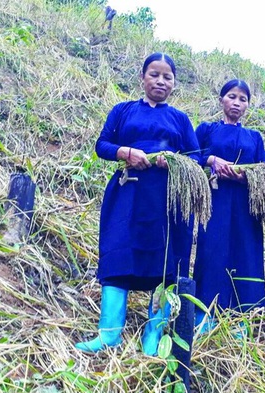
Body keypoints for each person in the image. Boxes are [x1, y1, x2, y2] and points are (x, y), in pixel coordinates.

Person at [75, 53, 201, 356]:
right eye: (154, 74)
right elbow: (102, 145)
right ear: (142, 77)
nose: (160, 81)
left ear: (174, 83)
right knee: (118, 253)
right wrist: (125, 152)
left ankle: (153, 335)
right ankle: (109, 335)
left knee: (164, 262)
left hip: (167, 201)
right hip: (127, 193)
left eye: (167, 76)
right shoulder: (123, 111)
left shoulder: (180, 119)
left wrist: (169, 160)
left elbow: (196, 157)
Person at [193, 79, 265, 329]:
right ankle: (204, 318)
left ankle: (242, 323)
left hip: (246, 207)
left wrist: (244, 175)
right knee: (211, 254)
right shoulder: (206, 130)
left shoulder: (254, 137)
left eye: (243, 99)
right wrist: (211, 159)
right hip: (214, 201)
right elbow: (189, 157)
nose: (237, 102)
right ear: (222, 99)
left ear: (247, 105)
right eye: (232, 96)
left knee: (246, 255)